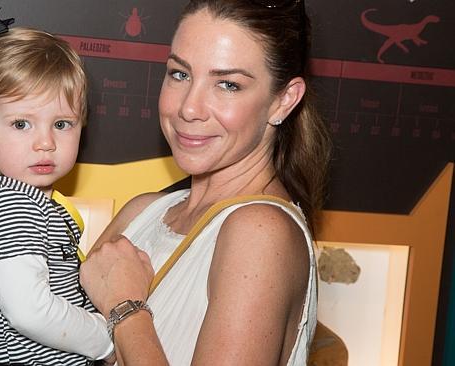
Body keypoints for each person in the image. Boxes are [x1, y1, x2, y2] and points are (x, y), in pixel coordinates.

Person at [80, 0, 331, 365]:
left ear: (283, 100)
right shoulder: (144, 211)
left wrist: (125, 307)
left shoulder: (260, 231)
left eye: (228, 84)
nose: (189, 108)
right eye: (179, 74)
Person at [0, 9, 113, 366]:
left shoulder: (33, 201)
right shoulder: (8, 203)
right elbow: (30, 311)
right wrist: (106, 339)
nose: (45, 142)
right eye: (21, 124)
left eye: (62, 123)